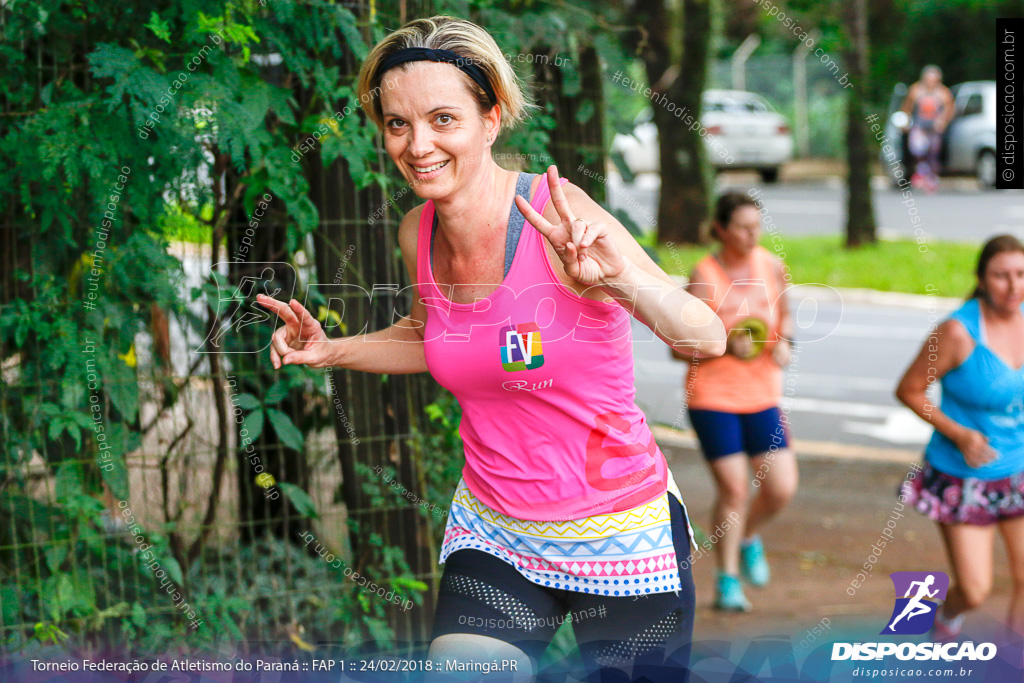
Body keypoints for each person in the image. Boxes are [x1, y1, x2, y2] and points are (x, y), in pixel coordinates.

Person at [256, 15, 726, 681]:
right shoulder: (417, 229)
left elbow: (705, 335)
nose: (418, 144)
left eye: (443, 119)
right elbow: (429, 335)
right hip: (497, 532)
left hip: (618, 531)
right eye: (398, 123)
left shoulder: (561, 216)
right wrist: (330, 350)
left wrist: (616, 279)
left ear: (492, 117)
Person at [896, 234, 1024, 641]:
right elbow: (910, 389)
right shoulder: (957, 332)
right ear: (982, 280)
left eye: (1022, 274)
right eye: (1001, 276)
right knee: (974, 590)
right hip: (964, 474)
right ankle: (946, 618)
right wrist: (960, 433)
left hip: (1019, 469)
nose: (1014, 286)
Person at [679, 192, 798, 612]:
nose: (752, 235)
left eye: (757, 226)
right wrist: (725, 346)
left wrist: (785, 343)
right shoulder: (705, 275)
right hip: (713, 396)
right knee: (734, 489)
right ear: (721, 230)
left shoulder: (770, 266)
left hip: (762, 394)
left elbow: (785, 316)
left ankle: (747, 537)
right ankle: (727, 581)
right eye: (743, 227)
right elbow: (679, 346)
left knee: (781, 488)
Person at [899, 64, 955, 194]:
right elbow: (906, 107)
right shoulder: (916, 90)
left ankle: (931, 178)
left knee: (933, 152)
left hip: (934, 128)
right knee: (917, 149)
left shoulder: (943, 92)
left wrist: (943, 121)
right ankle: (921, 172)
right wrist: (905, 122)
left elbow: (950, 109)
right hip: (919, 126)